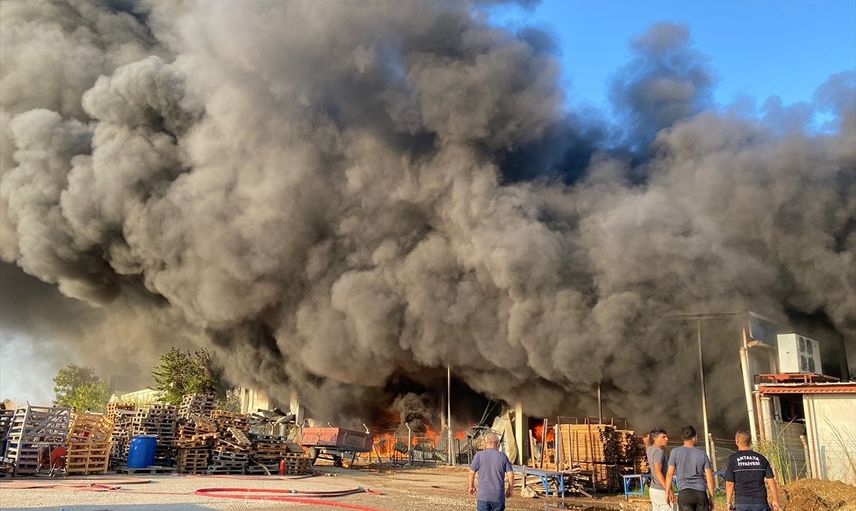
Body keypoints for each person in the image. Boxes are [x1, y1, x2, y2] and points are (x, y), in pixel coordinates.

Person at [724, 429, 781, 511]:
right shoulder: (761, 458)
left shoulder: (732, 459)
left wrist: (728, 502)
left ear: (737, 441)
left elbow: (730, 483)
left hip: (742, 504)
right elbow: (771, 481)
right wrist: (775, 500)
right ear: (750, 442)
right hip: (760, 503)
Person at [665, 425, 715, 511]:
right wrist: (711, 498)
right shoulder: (702, 454)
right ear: (695, 437)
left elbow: (669, 475)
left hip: (684, 495)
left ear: (682, 437)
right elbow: (709, 478)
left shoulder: (675, 452)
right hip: (700, 494)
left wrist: (667, 493)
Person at [467, 432, 514, 511]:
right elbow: (511, 475)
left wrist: (471, 486)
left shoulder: (478, 456)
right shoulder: (503, 456)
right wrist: (510, 489)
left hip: (483, 497)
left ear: (485, 443)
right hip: (498, 497)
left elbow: (471, 473)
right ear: (498, 444)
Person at [647, 427, 674, 511]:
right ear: (655, 439)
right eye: (663, 437)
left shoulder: (649, 449)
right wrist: (668, 490)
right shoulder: (659, 452)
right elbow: (658, 471)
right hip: (661, 489)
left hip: (653, 488)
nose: (666, 439)